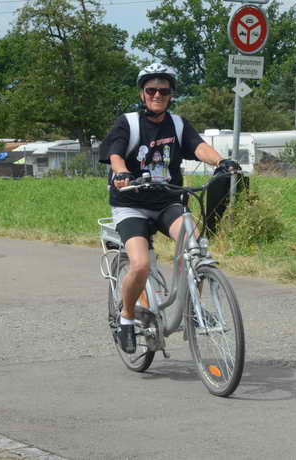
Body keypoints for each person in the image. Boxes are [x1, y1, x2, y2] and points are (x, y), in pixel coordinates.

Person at [99, 63, 240, 353]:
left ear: (171, 94)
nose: (157, 95)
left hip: (168, 201)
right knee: (140, 265)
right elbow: (115, 153)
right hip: (131, 204)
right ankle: (127, 317)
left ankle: (192, 310)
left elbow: (198, 146)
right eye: (151, 90)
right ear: (142, 93)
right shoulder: (129, 123)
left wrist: (221, 161)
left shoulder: (177, 124)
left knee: (196, 248)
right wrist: (121, 171)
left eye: (163, 91)